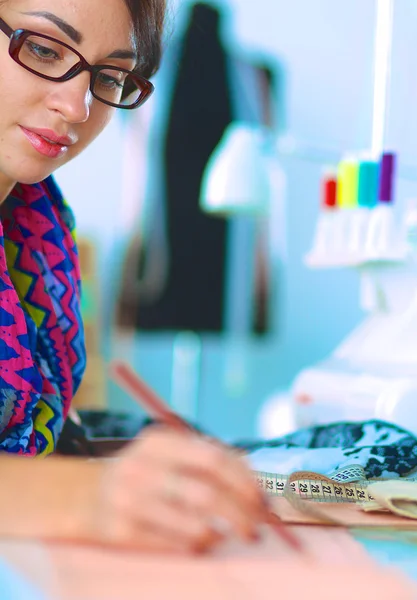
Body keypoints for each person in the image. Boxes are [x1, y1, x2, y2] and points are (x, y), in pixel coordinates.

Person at [0, 0, 267, 553]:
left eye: (110, 77)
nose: (77, 105)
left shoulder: (38, 233)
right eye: (44, 50)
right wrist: (83, 497)